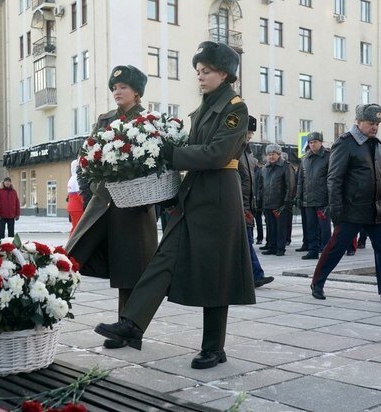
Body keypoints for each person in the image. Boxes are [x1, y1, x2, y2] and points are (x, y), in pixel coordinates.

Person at [94, 41, 255, 369]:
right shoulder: (203, 108)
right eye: (198, 71)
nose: (200, 77)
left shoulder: (235, 108)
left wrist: (170, 153)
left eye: (206, 71)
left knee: (216, 273)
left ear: (225, 74)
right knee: (162, 260)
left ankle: (214, 347)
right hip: (194, 194)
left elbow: (217, 154)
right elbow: (193, 149)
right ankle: (132, 323)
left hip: (219, 198)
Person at [66, 65, 158, 349]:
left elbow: (159, 163)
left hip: (135, 207)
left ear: (137, 92)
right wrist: (90, 190)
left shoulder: (148, 121)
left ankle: (126, 328)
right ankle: (43, 309)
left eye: (123, 87)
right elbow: (86, 159)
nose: (117, 92)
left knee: (130, 267)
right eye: (114, 88)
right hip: (103, 204)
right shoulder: (105, 120)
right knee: (70, 257)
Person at [311, 103, 381, 301]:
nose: (375, 127)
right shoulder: (345, 143)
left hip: (375, 210)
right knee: (336, 248)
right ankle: (317, 282)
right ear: (358, 122)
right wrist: (335, 207)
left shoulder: (377, 145)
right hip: (351, 210)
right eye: (371, 123)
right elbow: (334, 178)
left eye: (377, 123)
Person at [239, 115, 273, 287]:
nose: (250, 136)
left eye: (251, 133)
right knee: (246, 242)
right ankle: (255, 275)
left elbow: (250, 184)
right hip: (239, 206)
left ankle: (252, 275)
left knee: (246, 242)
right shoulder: (235, 152)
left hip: (247, 205)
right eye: (248, 132)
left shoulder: (248, 154)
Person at [296, 132, 331, 260]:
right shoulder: (305, 158)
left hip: (323, 199)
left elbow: (331, 178)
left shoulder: (328, 156)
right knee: (310, 227)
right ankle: (313, 250)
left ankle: (327, 251)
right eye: (310, 142)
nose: (312, 144)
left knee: (324, 227)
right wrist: (299, 196)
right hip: (308, 199)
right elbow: (301, 179)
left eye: (315, 142)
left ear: (321, 142)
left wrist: (330, 197)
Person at [258, 144, 295, 256]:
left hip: (280, 203)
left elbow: (290, 185)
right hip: (268, 202)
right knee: (270, 227)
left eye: (273, 154)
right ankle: (272, 247)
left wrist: (287, 201)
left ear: (279, 155)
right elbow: (261, 186)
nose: (271, 157)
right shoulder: (264, 168)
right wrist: (260, 200)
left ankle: (280, 248)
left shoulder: (285, 166)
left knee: (280, 227)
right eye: (269, 154)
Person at [66, 159, 84, 234]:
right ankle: (73, 244)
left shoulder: (71, 179)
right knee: (78, 229)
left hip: (72, 207)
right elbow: (79, 195)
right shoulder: (77, 179)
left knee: (75, 228)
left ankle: (70, 243)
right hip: (78, 207)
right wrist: (85, 204)